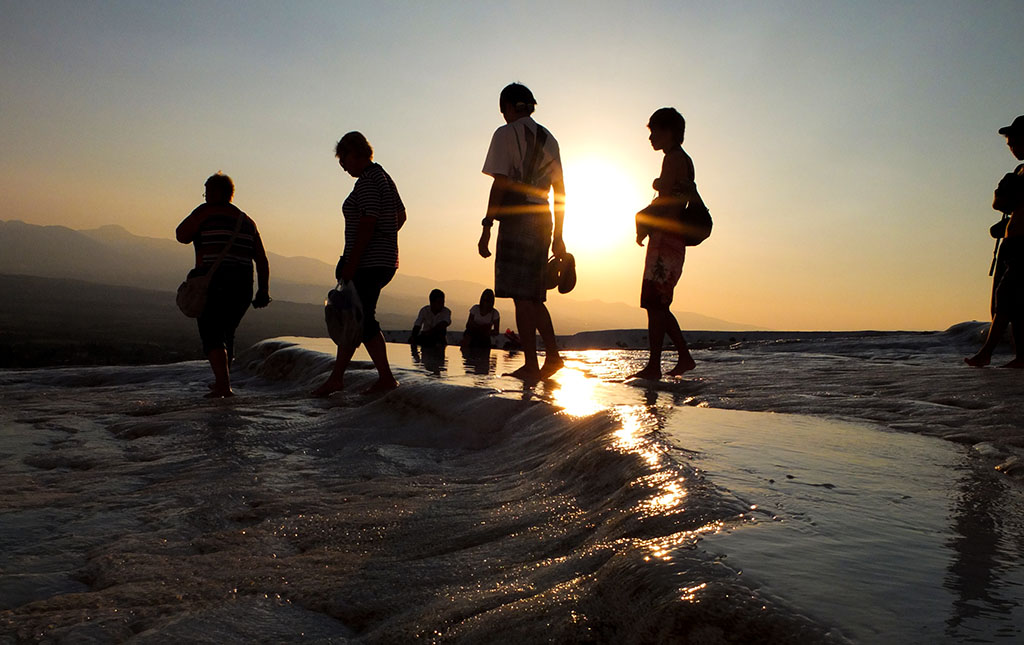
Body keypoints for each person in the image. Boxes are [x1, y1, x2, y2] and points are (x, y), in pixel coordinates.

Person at [478, 82, 566, 379]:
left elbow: (500, 183)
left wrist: (487, 225)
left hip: (518, 218)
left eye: (503, 110)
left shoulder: (505, 133)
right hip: (543, 216)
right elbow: (560, 191)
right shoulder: (550, 139)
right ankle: (552, 357)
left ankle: (531, 363)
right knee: (534, 296)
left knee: (521, 296)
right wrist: (558, 235)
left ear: (508, 106)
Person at [313, 132, 406, 396]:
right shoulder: (383, 177)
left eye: (344, 159)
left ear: (356, 153)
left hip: (368, 263)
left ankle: (385, 378)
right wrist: (386, 238)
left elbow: (367, 224)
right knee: (355, 318)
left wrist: (352, 262)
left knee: (363, 320)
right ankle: (337, 378)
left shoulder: (367, 182)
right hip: (383, 259)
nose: (343, 166)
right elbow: (400, 215)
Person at [176, 172, 270, 398]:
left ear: (217, 192)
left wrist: (200, 213)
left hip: (215, 282)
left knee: (211, 333)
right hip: (243, 285)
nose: (205, 196)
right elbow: (261, 259)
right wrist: (263, 290)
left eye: (207, 191)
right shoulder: (246, 221)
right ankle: (223, 381)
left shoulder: (205, 213)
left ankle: (223, 385)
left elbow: (181, 235)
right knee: (228, 332)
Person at [631, 107, 698, 380]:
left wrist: (643, 219)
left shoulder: (673, 159)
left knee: (655, 303)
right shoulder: (682, 159)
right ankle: (682, 357)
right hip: (672, 238)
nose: (650, 138)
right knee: (658, 303)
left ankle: (655, 366)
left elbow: (667, 202)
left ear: (668, 131)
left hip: (665, 239)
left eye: (654, 132)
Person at [966, 116, 1024, 368]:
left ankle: (987, 353)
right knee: (1013, 302)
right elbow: (1002, 203)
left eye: (1015, 142)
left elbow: (1004, 201)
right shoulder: (1019, 172)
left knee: (1006, 297)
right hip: (1013, 243)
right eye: (1009, 144)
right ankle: (1021, 357)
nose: (1012, 148)